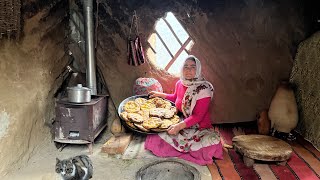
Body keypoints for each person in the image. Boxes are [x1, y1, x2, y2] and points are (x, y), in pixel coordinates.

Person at [145, 55, 223, 165]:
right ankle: (181, 147)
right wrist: (160, 95)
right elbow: (176, 98)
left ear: (198, 69)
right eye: (185, 67)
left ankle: (187, 149)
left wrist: (178, 126)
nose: (188, 70)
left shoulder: (204, 89)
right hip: (183, 122)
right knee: (157, 134)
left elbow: (198, 116)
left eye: (192, 67)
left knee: (210, 141)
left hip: (199, 127)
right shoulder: (180, 83)